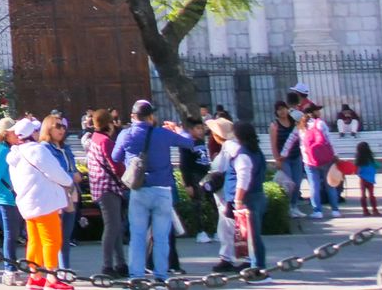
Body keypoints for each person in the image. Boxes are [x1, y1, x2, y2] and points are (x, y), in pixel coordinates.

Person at [111, 101, 196, 284]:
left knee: (137, 235)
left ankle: (136, 275)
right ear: (151, 116)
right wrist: (178, 130)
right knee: (161, 237)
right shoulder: (162, 133)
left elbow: (115, 157)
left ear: (133, 116)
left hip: (139, 189)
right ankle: (161, 275)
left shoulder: (126, 134)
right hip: (162, 189)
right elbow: (189, 142)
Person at [9, 118, 73, 290]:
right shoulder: (37, 150)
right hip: (44, 202)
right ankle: (52, 278)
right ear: (33, 134)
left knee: (35, 241)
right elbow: (55, 171)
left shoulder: (15, 154)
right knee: (52, 239)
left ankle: (35, 276)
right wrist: (68, 182)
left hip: (27, 204)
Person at [85, 109, 128, 279]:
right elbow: (116, 165)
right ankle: (107, 265)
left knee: (115, 227)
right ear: (109, 123)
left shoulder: (94, 139)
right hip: (108, 187)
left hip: (99, 187)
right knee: (112, 227)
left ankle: (121, 263)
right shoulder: (105, 141)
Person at [228, 124, 268, 273]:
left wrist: (238, 200)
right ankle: (256, 264)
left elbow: (243, 179)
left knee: (252, 237)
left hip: (248, 198)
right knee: (254, 235)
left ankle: (258, 268)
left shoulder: (243, 154)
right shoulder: (256, 151)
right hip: (258, 194)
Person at [0, 119, 23, 285]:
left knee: (14, 235)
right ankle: (9, 271)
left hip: (15, 197)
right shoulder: (1, 150)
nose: (17, 134)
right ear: (5, 134)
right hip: (6, 197)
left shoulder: (13, 148)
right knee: (10, 235)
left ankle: (13, 269)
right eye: (13, 131)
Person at [42, 115, 79, 269]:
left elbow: (72, 168)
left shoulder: (66, 148)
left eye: (63, 126)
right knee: (56, 235)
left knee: (66, 234)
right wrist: (71, 175)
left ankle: (65, 267)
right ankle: (56, 269)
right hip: (55, 194)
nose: (62, 129)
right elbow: (53, 171)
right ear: (48, 128)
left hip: (70, 193)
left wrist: (74, 174)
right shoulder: (45, 148)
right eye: (57, 126)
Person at [203, 117, 239, 271]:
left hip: (227, 192)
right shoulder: (230, 146)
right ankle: (227, 257)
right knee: (227, 226)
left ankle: (229, 258)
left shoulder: (229, 147)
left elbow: (221, 169)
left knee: (228, 226)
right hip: (226, 192)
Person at [299, 106, 340, 218]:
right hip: (326, 159)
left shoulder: (302, 127)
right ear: (313, 112)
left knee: (314, 186)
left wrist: (305, 158)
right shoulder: (320, 124)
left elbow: (302, 145)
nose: (319, 112)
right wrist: (335, 154)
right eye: (317, 110)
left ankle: (317, 211)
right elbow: (329, 140)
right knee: (330, 184)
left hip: (310, 160)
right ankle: (335, 210)